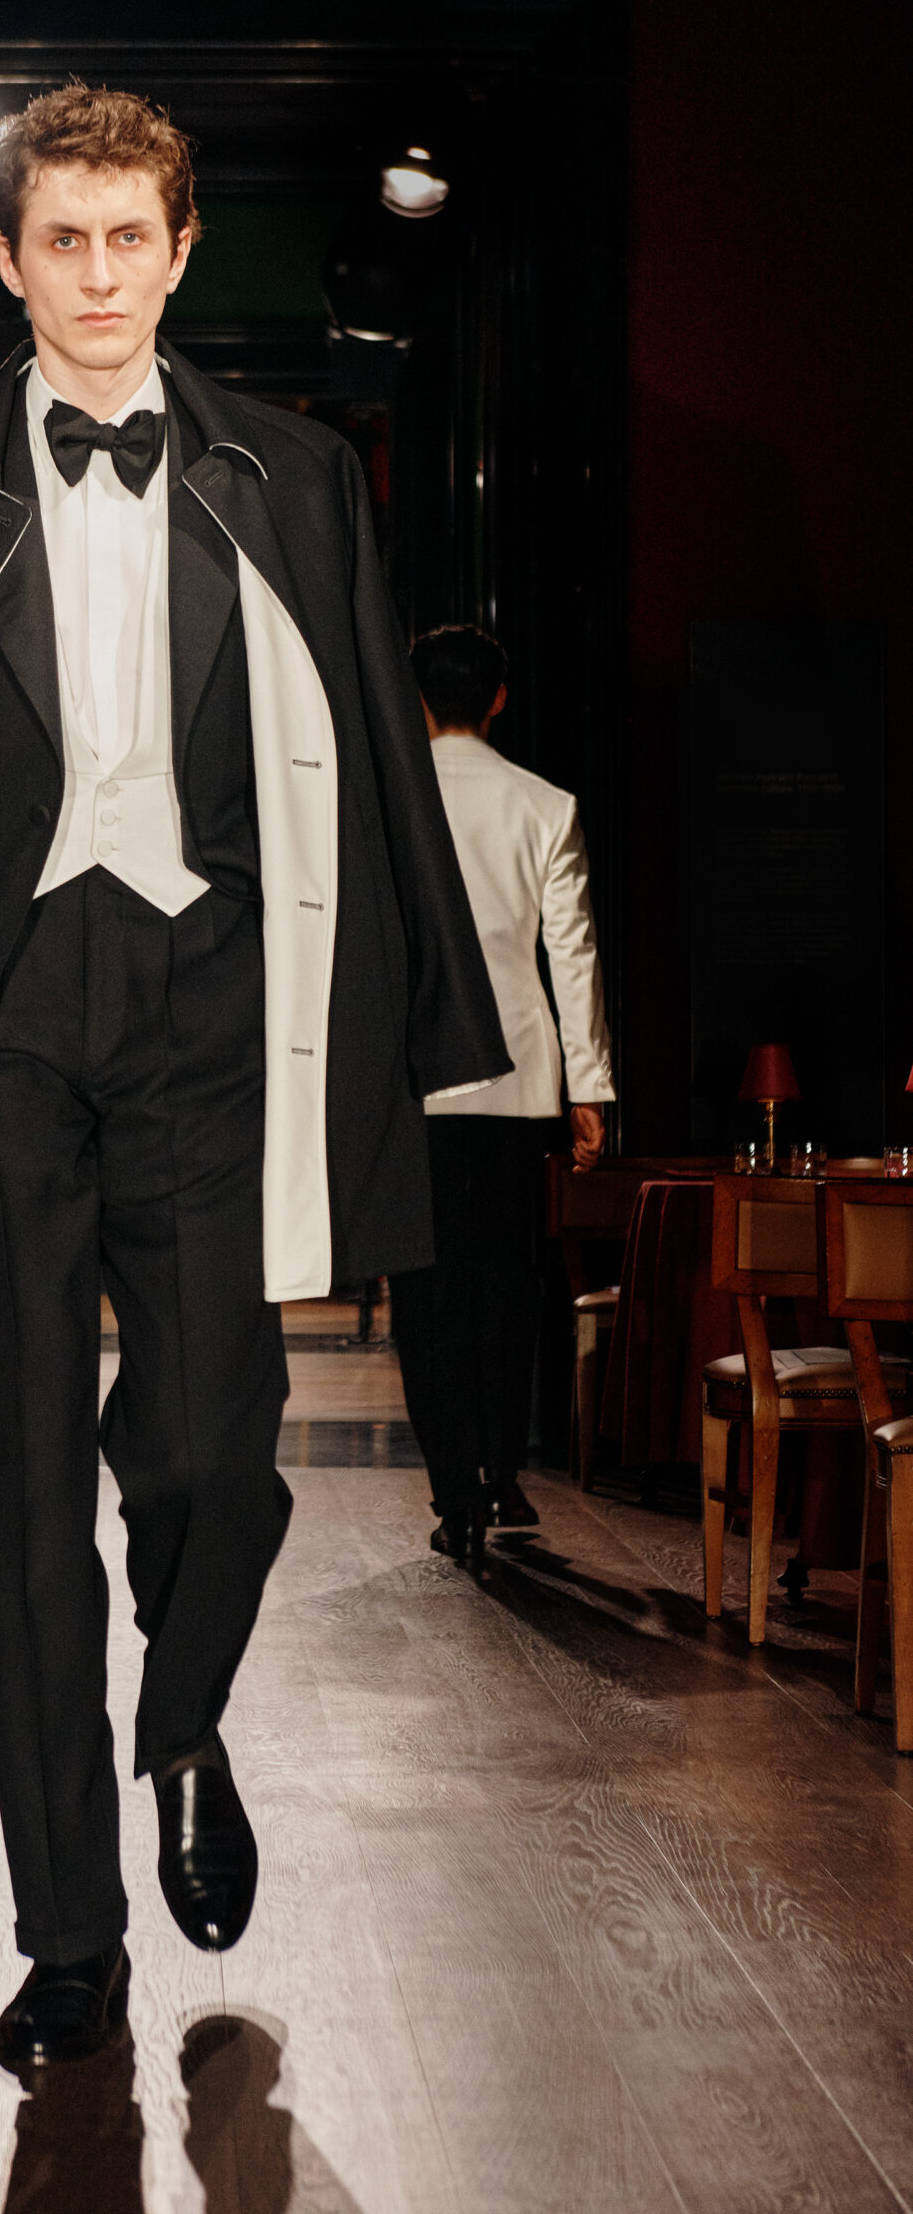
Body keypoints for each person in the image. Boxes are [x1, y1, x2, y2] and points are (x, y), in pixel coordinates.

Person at [0, 87, 508, 2069]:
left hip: (212, 1001)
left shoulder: (293, 473)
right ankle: (68, 1933)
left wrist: (429, 1016)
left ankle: (180, 1725)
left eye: (125, 238)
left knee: (210, 1451)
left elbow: (373, 738)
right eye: (56, 240)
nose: (93, 275)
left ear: (178, 250)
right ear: (5, 259)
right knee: (6, 1483)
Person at [390, 626, 615, 1562]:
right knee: (507, 1285)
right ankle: (499, 1467)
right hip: (520, 1081)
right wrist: (588, 1086)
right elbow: (572, 954)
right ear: (497, 699)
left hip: (414, 1082)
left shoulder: (387, 802)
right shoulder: (544, 806)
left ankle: (454, 1493)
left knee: (426, 1292)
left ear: (413, 701)